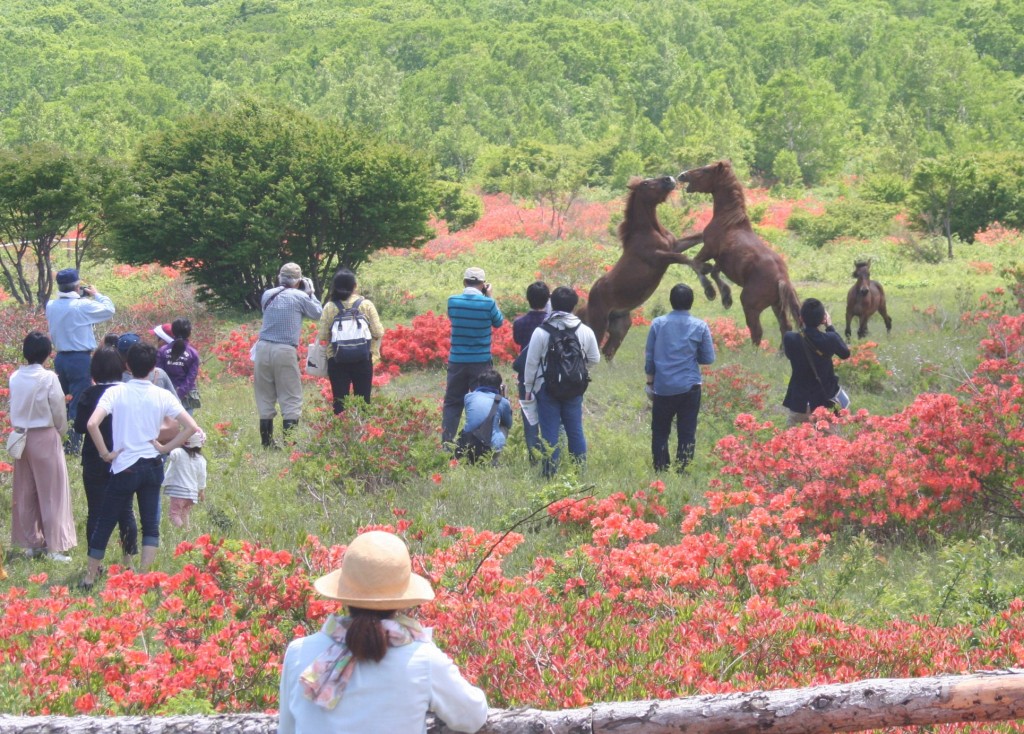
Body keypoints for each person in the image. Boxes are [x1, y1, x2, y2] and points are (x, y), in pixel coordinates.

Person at [278, 531, 488, 734]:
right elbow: (473, 717)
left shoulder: (298, 652)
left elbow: (287, 729)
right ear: (401, 599)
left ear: (344, 592)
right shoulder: (424, 659)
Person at [82, 341, 200, 588]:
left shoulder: (116, 392)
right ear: (154, 368)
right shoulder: (162, 394)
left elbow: (92, 424)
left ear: (127, 366)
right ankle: (145, 577)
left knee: (105, 522)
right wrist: (166, 448)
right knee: (150, 525)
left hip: (125, 465)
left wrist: (105, 453)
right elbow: (191, 426)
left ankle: (90, 577)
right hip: (152, 465)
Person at [8, 332, 77, 562]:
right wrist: (61, 430)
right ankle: (54, 546)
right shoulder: (49, 378)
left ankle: (31, 543)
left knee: (26, 491)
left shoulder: (15, 376)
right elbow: (58, 410)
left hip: (21, 437)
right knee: (52, 493)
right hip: (45, 436)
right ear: (48, 353)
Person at [522, 286, 600, 477]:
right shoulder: (585, 330)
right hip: (574, 388)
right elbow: (594, 358)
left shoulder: (541, 332)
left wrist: (528, 388)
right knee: (575, 430)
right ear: (574, 306)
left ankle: (549, 473)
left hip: (546, 388)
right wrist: (578, 371)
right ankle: (578, 472)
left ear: (553, 304)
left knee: (549, 432)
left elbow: (531, 363)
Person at [75, 347, 138, 567]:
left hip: (95, 458)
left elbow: (81, 427)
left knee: (95, 510)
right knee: (125, 510)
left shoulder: (89, 393)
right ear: (121, 368)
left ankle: (96, 563)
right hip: (125, 457)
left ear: (95, 370)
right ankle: (128, 560)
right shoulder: (128, 392)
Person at [644, 283, 716, 473]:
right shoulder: (700, 326)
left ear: (671, 301)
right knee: (687, 432)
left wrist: (650, 383)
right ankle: (683, 470)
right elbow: (708, 358)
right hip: (689, 386)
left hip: (663, 386)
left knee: (660, 431)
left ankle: (661, 469)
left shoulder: (658, 324)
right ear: (691, 302)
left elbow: (650, 357)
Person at [45, 268, 115, 454]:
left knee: (62, 401)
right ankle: (72, 448)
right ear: (77, 286)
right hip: (80, 359)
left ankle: (61, 442)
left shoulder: (51, 305)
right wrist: (97, 294)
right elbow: (109, 310)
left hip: (60, 358)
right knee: (78, 402)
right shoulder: (82, 305)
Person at [254, 262, 323, 448]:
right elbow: (318, 313)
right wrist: (310, 292)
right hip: (284, 349)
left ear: (279, 277)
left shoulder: (267, 294)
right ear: (299, 280)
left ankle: (267, 442)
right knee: (291, 395)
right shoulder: (300, 296)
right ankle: (290, 443)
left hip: (262, 348)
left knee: (264, 395)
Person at [442, 267, 504, 448]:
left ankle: (447, 443)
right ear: (483, 285)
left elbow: (453, 319)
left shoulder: (453, 301)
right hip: (481, 362)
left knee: (453, 402)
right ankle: (480, 443)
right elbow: (499, 322)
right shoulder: (488, 304)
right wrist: (490, 296)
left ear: (464, 282)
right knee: (482, 402)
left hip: (457, 360)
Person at [316, 269, 384, 414]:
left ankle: (341, 434)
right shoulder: (366, 305)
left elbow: (322, 336)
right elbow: (378, 332)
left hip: (336, 359)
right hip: (363, 358)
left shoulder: (330, 307)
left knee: (340, 403)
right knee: (363, 401)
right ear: (354, 286)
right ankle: (364, 432)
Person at [782, 298, 851, 426]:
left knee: (792, 442)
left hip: (799, 403)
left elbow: (789, 355)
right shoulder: (830, 339)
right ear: (822, 320)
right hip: (823, 403)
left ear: (801, 318)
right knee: (827, 442)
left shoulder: (789, 338)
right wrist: (829, 326)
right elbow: (845, 353)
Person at [511, 281, 549, 462]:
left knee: (530, 418)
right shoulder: (551, 322)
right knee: (550, 415)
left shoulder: (520, 323)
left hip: (526, 374)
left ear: (527, 299)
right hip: (548, 374)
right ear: (548, 299)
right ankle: (551, 452)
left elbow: (518, 341)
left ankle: (534, 456)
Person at [457, 369, 513, 465]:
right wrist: (504, 398)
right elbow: (509, 423)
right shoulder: (503, 402)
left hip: (469, 444)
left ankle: (470, 458)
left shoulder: (468, 397)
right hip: (489, 445)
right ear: (498, 386)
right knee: (503, 426)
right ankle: (494, 459)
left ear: (479, 383)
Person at [163, 429, 208, 528]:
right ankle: (187, 532)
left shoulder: (178, 452)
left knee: (173, 514)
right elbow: (202, 477)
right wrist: (201, 491)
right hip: (192, 493)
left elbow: (170, 453)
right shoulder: (201, 460)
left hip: (179, 491)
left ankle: (182, 530)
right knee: (184, 514)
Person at [157, 318, 201, 414]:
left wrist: (171, 392)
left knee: (168, 426)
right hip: (187, 395)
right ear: (189, 332)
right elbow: (191, 378)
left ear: (173, 332)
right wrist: (180, 392)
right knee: (188, 426)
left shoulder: (162, 351)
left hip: (166, 394)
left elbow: (159, 373)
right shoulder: (193, 353)